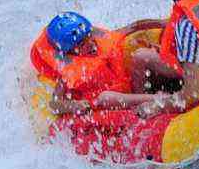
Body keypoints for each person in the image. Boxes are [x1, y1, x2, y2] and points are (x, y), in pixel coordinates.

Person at [29, 12, 164, 115]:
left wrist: (162, 23)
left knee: (140, 56)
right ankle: (159, 99)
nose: (90, 43)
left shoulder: (103, 41)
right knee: (104, 98)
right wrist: (74, 106)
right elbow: (54, 104)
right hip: (111, 101)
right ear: (70, 52)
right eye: (82, 44)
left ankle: (173, 83)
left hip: (134, 89)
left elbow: (135, 26)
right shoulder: (69, 72)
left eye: (89, 36)